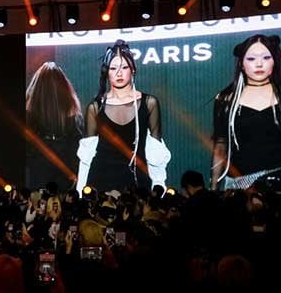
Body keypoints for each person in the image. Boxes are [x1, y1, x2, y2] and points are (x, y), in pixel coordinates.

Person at [210, 34, 281, 190]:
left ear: (275, 61)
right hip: (239, 186)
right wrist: (214, 187)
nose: (259, 64)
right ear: (241, 63)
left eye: (266, 57)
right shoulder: (226, 100)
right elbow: (220, 146)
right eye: (251, 59)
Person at [76, 40, 171, 194]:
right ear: (107, 72)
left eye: (124, 67)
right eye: (113, 68)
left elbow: (156, 154)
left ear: (132, 69)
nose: (119, 73)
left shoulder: (149, 103)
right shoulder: (95, 107)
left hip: (137, 184)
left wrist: (159, 189)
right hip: (101, 182)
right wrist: (81, 193)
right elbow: (86, 157)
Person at [25, 61, 83, 191]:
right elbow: (76, 145)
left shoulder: (29, 111)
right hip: (64, 169)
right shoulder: (71, 111)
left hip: (38, 168)